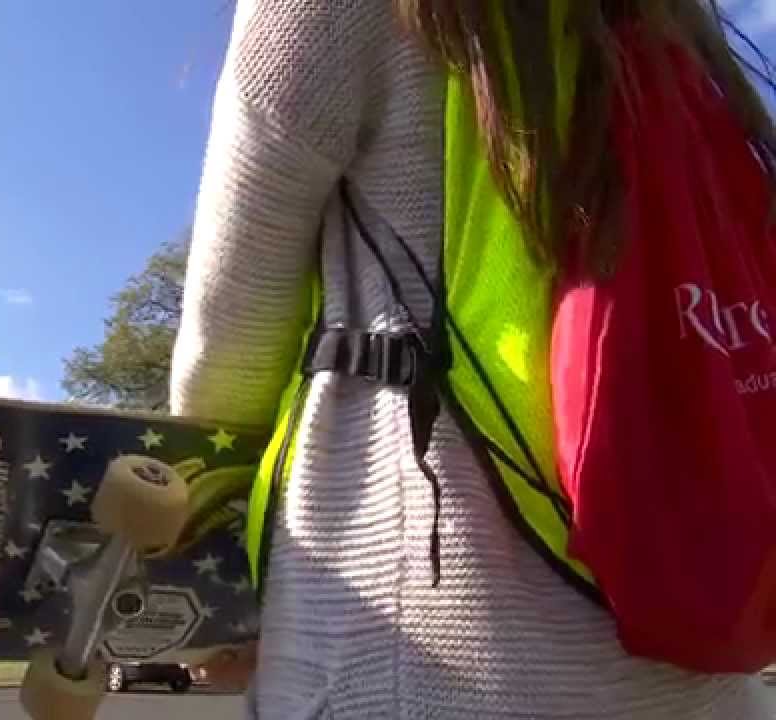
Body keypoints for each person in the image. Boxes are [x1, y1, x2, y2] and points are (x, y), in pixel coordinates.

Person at [172, 2, 776, 718]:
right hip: (697, 669)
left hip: (421, 650)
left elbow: (232, 337)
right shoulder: (672, 29)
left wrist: (206, 559)